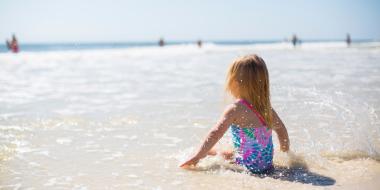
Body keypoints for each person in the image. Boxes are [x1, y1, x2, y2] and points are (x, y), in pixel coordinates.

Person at [180, 54, 290, 174]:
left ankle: (194, 157)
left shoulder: (235, 109)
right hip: (266, 165)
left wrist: (197, 157)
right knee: (230, 152)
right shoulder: (266, 109)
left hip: (247, 166)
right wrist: (285, 153)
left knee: (209, 152)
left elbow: (215, 133)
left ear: (235, 82)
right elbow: (282, 131)